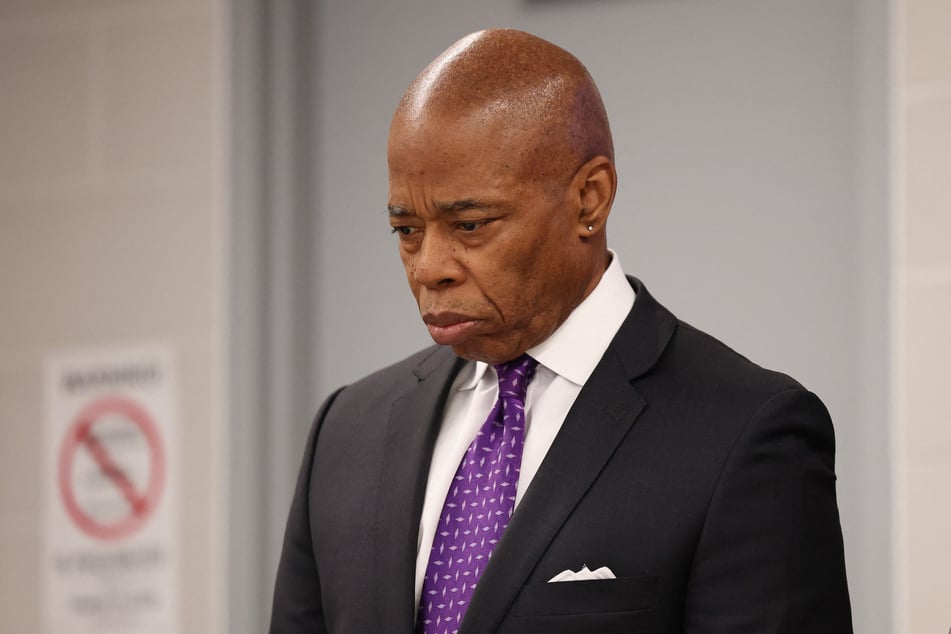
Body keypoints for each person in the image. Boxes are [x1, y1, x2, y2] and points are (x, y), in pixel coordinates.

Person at [270, 28, 852, 634]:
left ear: (589, 200)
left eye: (469, 225)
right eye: (406, 230)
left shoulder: (745, 432)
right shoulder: (347, 431)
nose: (429, 268)